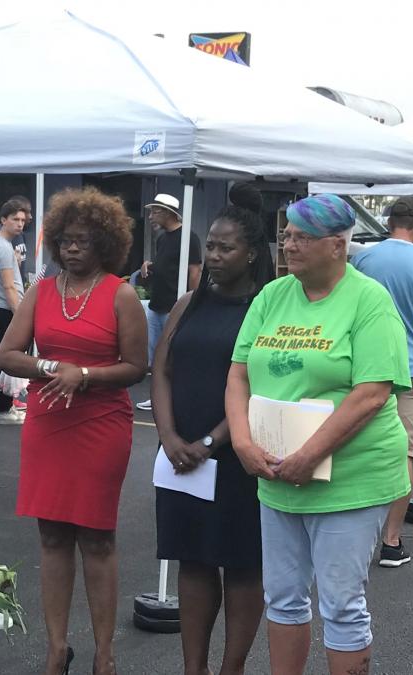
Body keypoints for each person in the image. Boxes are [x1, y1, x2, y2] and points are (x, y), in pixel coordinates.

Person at [225, 194, 412, 675]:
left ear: (337, 245)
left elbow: (372, 393)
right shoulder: (272, 295)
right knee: (283, 597)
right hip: (277, 472)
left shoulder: (370, 300)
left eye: (302, 237)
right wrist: (243, 441)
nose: (289, 245)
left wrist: (311, 453)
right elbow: (238, 375)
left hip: (349, 478)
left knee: (341, 603)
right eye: (286, 234)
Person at [0, 187, 146, 675]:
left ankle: (105, 654)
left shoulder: (121, 294)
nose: (72, 248)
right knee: (52, 537)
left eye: (82, 240)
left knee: (98, 538)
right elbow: (7, 355)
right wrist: (50, 366)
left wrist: (84, 375)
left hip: (101, 424)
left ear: (105, 243)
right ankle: (56, 648)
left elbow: (136, 366)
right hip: (48, 423)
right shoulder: (41, 291)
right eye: (64, 240)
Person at [151, 206, 274, 675]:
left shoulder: (263, 308)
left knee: (242, 563)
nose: (216, 257)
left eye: (227, 248)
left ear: (251, 254)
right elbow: (161, 370)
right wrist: (168, 437)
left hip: (237, 452)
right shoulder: (189, 303)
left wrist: (210, 441)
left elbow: (258, 385)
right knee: (193, 559)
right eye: (212, 247)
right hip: (181, 454)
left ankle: (232, 667)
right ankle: (193, 667)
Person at [351, 196, 413, 568]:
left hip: (363, 366)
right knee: (405, 453)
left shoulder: (361, 260)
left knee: (359, 446)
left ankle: (354, 533)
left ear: (389, 220)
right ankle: (391, 541)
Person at [135, 193, 201, 411]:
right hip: (157, 304)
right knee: (156, 355)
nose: (151, 216)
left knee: (175, 355)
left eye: (155, 212)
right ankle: (157, 397)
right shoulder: (163, 238)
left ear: (168, 213)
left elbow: (194, 271)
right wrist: (149, 264)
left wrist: (192, 302)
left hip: (175, 306)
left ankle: (175, 399)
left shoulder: (188, 237)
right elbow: (167, 264)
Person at [0, 198, 30, 425]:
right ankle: (3, 410)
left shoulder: (1, 245)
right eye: (15, 219)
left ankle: (6, 406)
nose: (20, 224)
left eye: (22, 220)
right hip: (5, 308)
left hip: (2, 307)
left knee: (3, 357)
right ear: (3, 220)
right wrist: (19, 314)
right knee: (7, 359)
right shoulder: (1, 247)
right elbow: (8, 285)